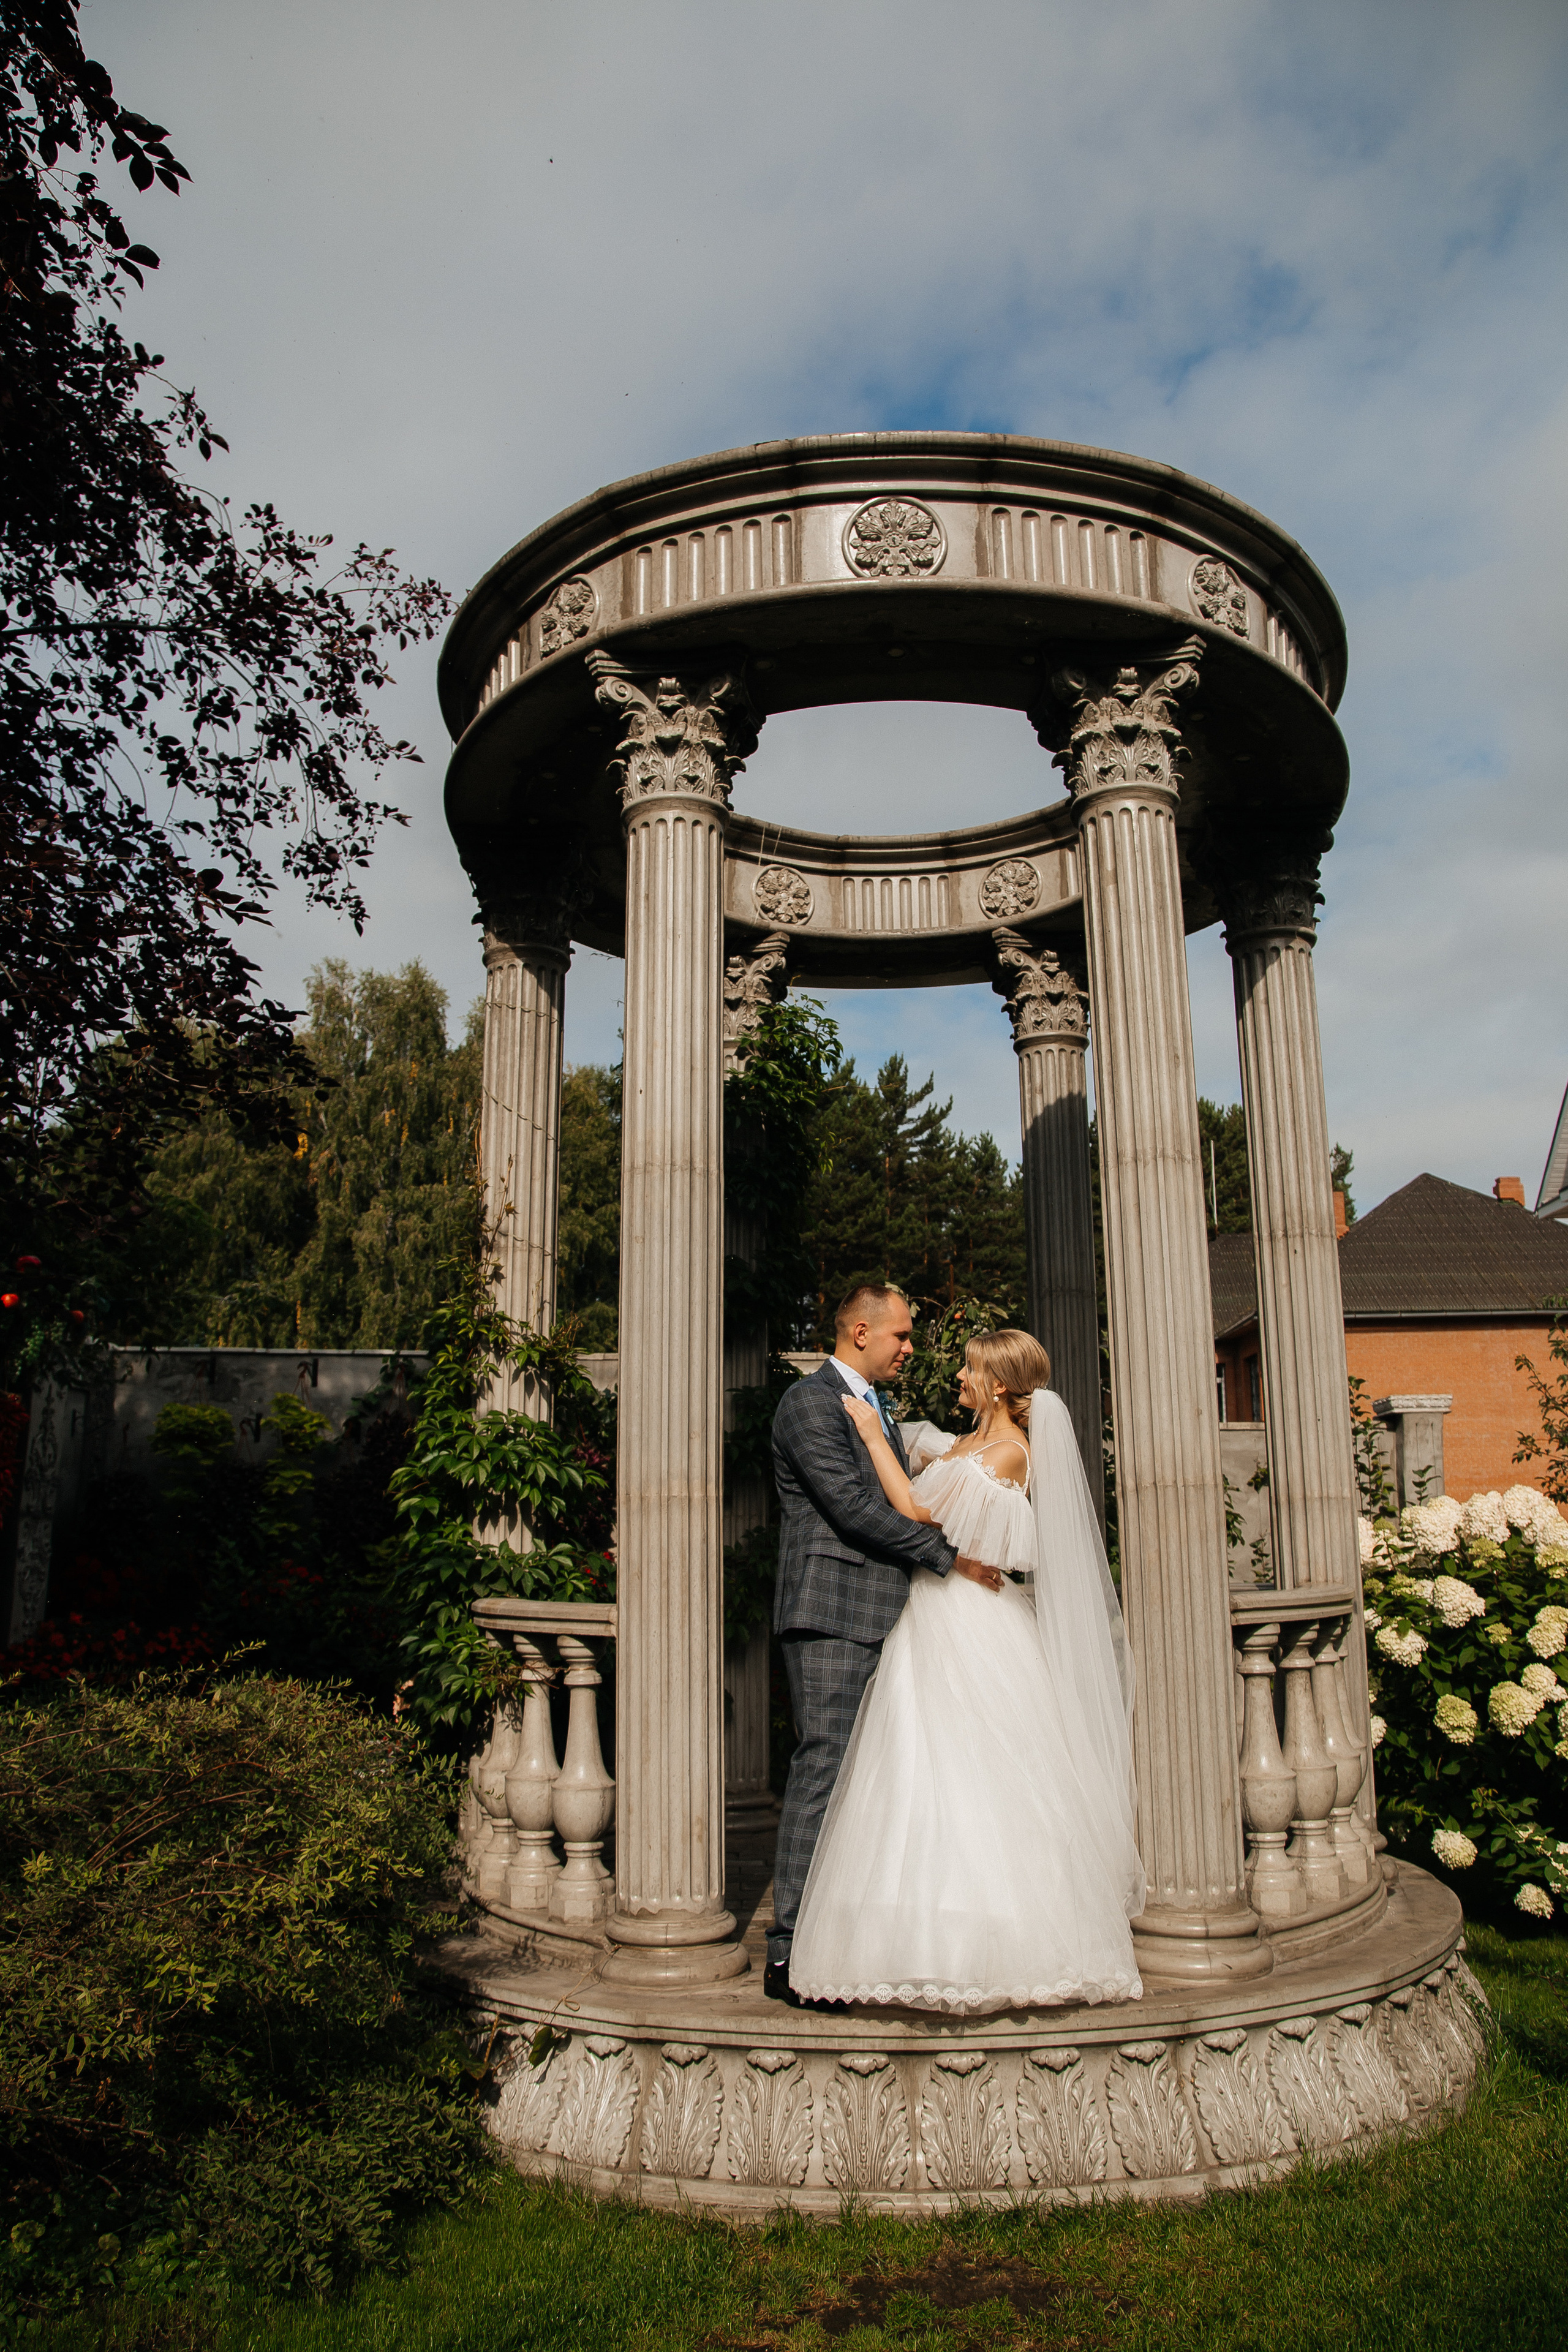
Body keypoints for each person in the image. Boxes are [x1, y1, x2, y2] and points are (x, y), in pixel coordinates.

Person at [789, 1326, 1146, 2013]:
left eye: (970, 1369)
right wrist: (896, 1426)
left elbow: (919, 1509)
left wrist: (868, 1432)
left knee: (977, 1772)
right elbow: (930, 1449)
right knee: (918, 1771)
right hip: (932, 1615)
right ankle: (915, 1937)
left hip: (968, 1619)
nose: (957, 1375)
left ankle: (999, 1944)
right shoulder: (969, 1444)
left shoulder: (1010, 1453)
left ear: (1000, 1385)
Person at [766, 1283, 1000, 2007]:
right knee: (824, 1775)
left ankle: (851, 1944)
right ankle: (789, 1951)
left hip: (886, 1614)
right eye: (899, 1336)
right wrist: (951, 1556)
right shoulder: (810, 1404)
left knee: (878, 1784)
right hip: (833, 1612)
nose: (909, 1347)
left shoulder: (876, 1405)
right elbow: (854, 1510)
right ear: (859, 1331)